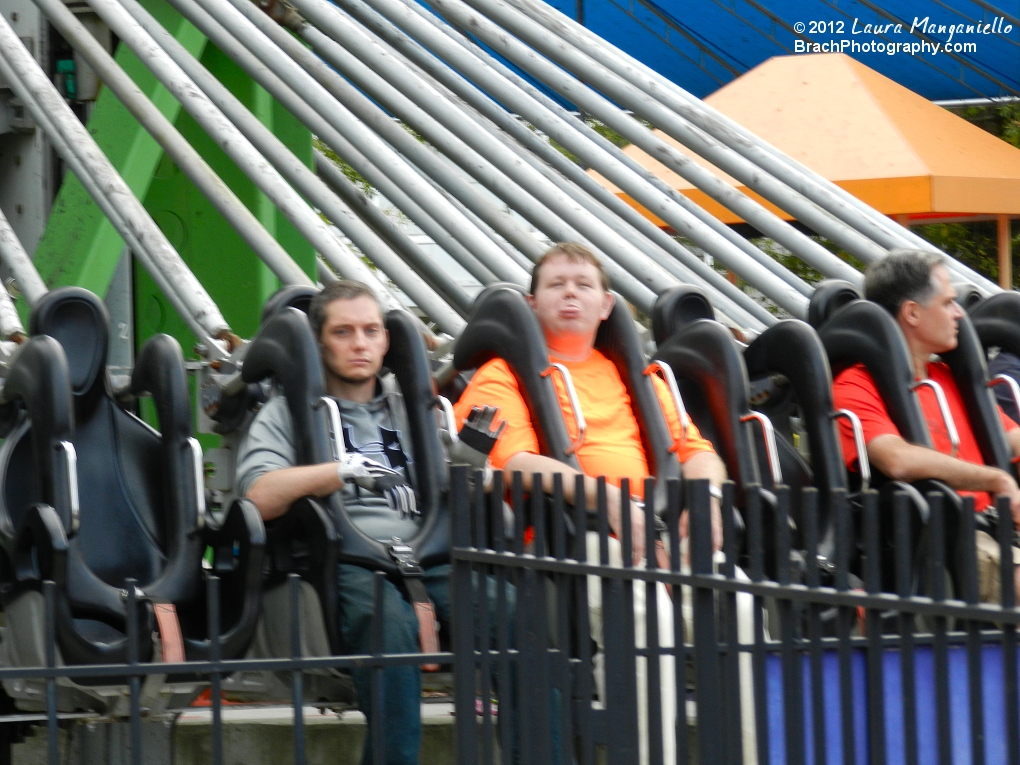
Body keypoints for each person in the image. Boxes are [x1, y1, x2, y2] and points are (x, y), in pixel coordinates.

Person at [454, 242, 728, 765]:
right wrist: (609, 500)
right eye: (556, 284)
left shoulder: (640, 378)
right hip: (571, 533)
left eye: (583, 284)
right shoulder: (502, 374)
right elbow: (512, 460)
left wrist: (706, 497)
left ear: (607, 305)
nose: (571, 293)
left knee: (738, 606)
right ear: (532, 304)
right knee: (647, 616)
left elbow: (698, 453)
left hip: (662, 524)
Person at [235, 280, 449, 765]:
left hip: (424, 550)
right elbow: (258, 495)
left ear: (386, 341)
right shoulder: (286, 413)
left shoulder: (406, 411)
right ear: (319, 342)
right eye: (344, 331)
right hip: (346, 557)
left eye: (371, 331)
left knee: (515, 615)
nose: (360, 344)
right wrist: (339, 471)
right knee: (388, 624)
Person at [832, 249, 1020, 602]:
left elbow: (1012, 436)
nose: (959, 313)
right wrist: (995, 478)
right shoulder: (853, 386)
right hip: (946, 541)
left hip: (1000, 528)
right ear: (912, 313)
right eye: (948, 303)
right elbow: (897, 460)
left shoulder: (949, 378)